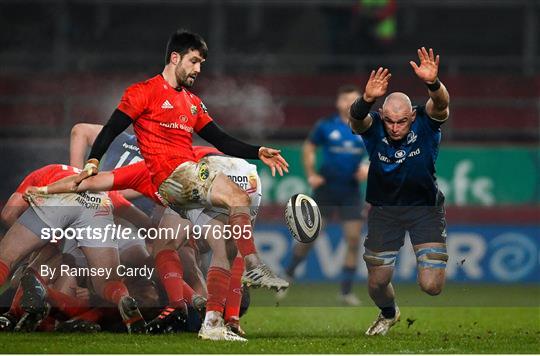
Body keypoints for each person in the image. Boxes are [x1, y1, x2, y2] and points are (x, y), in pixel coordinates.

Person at [76, 29, 289, 341]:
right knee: (238, 196)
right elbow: (111, 129)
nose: (198, 69)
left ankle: (213, 324)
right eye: (194, 61)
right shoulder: (143, 92)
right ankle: (255, 264)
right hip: (172, 176)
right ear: (174, 58)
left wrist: (257, 152)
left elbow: (221, 139)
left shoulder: (191, 102)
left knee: (225, 246)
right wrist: (93, 160)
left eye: (201, 62)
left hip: (186, 182)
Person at [348, 47, 450, 336]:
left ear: (412, 115)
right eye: (389, 121)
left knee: (431, 287)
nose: (395, 128)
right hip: (384, 210)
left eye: (402, 121)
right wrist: (367, 99)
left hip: (425, 209)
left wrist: (433, 83)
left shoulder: (428, 125)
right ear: (382, 115)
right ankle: (389, 313)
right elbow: (356, 121)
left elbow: (441, 105)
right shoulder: (374, 128)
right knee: (377, 283)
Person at [282, 85, 369, 306]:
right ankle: (288, 274)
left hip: (350, 190)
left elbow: (378, 151)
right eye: (346, 99)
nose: (350, 103)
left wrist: (368, 167)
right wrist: (311, 173)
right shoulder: (326, 126)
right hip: (326, 188)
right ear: (339, 103)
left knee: (353, 239)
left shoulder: (366, 126)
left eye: (354, 99)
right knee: (309, 236)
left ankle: (346, 291)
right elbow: (308, 148)